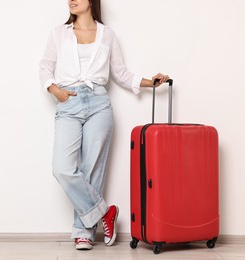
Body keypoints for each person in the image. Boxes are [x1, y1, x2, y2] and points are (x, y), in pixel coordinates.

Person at [39, 0, 169, 250]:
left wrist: (149, 82)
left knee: (92, 169)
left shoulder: (108, 35)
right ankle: (104, 212)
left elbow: (121, 74)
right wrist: (55, 90)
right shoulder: (58, 33)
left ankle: (83, 232)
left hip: (99, 103)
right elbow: (45, 66)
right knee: (62, 168)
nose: (71, 0)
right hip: (68, 103)